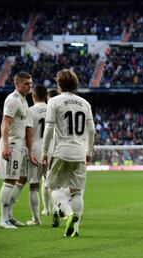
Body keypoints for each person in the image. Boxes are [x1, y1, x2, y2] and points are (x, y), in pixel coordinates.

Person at [42, 69, 95, 237]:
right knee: (77, 191)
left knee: (52, 186)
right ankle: (76, 228)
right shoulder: (85, 103)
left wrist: (44, 150)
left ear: (59, 85)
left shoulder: (54, 101)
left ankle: (68, 213)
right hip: (80, 152)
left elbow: (49, 128)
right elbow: (92, 130)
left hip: (61, 151)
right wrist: (89, 151)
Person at [0, 71, 37, 229]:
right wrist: (6, 145)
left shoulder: (24, 101)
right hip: (12, 145)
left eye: (31, 83)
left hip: (20, 147)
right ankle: (3, 219)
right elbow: (5, 123)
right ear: (17, 84)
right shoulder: (13, 100)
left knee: (16, 180)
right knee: (9, 181)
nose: (30, 86)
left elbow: (27, 128)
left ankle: (9, 215)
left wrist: (30, 150)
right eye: (27, 84)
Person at [26, 85, 48, 225]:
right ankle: (56, 212)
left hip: (35, 150)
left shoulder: (30, 111)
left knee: (34, 185)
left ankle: (36, 219)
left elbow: (28, 131)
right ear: (46, 96)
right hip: (51, 151)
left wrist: (29, 151)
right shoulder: (53, 109)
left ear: (33, 96)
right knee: (53, 185)